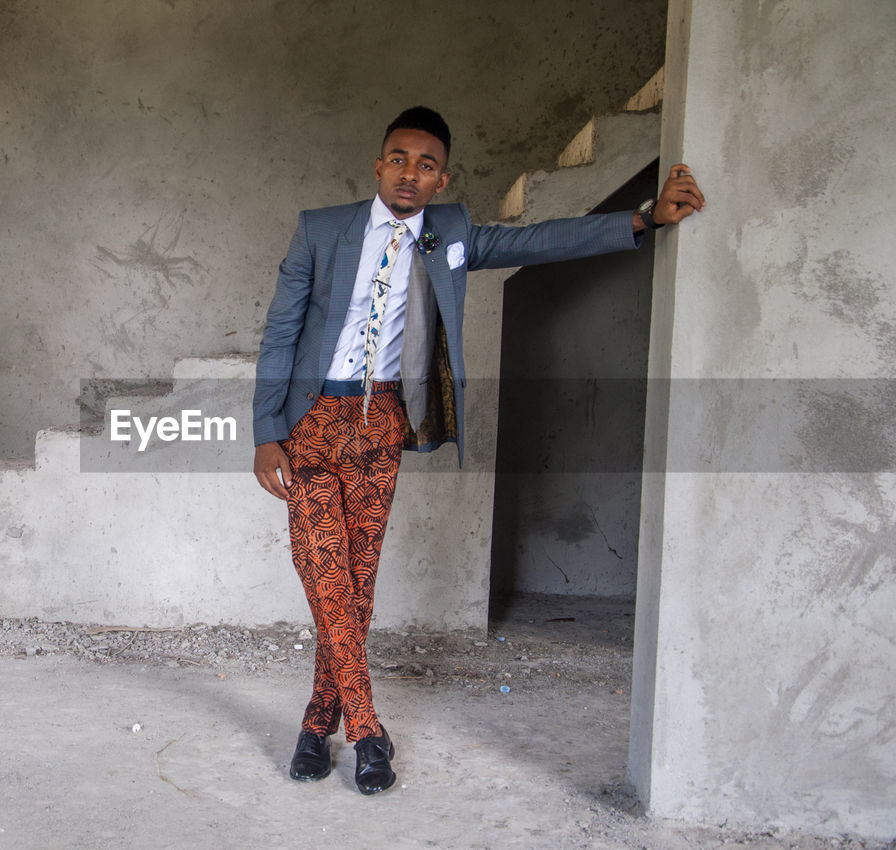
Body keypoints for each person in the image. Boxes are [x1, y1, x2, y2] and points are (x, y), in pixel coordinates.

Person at [252, 106, 704, 795]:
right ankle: (366, 728)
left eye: (427, 164)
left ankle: (319, 718)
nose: (411, 172)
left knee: (357, 585)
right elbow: (280, 330)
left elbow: (544, 239)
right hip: (312, 422)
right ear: (379, 166)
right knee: (324, 569)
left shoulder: (451, 233)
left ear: (442, 179)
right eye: (399, 158)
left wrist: (643, 219)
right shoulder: (321, 229)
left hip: (380, 427)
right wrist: (263, 433)